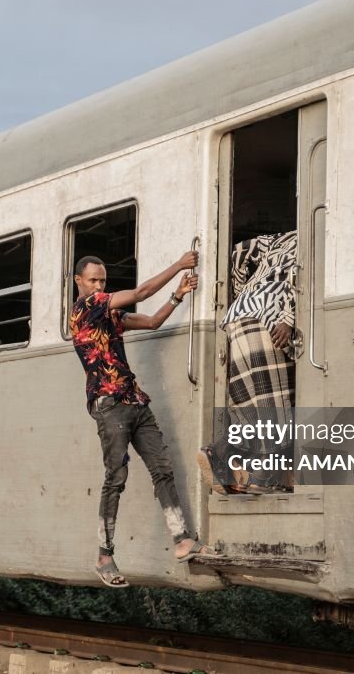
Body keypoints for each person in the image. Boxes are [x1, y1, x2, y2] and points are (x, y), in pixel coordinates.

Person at [70, 250, 218, 589]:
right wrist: (178, 266)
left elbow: (152, 321)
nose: (98, 286)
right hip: (109, 406)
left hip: (135, 401)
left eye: (103, 281)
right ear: (79, 281)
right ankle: (104, 556)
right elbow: (139, 294)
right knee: (116, 479)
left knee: (162, 468)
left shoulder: (109, 315)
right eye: (93, 280)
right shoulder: (84, 310)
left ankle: (182, 539)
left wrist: (177, 296)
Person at [198, 232, 298, 495]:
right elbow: (302, 275)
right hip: (267, 319)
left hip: (239, 316)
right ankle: (264, 477)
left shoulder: (276, 239)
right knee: (273, 406)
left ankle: (216, 453)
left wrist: (242, 291)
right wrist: (288, 317)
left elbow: (238, 252)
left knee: (248, 409)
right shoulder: (311, 235)